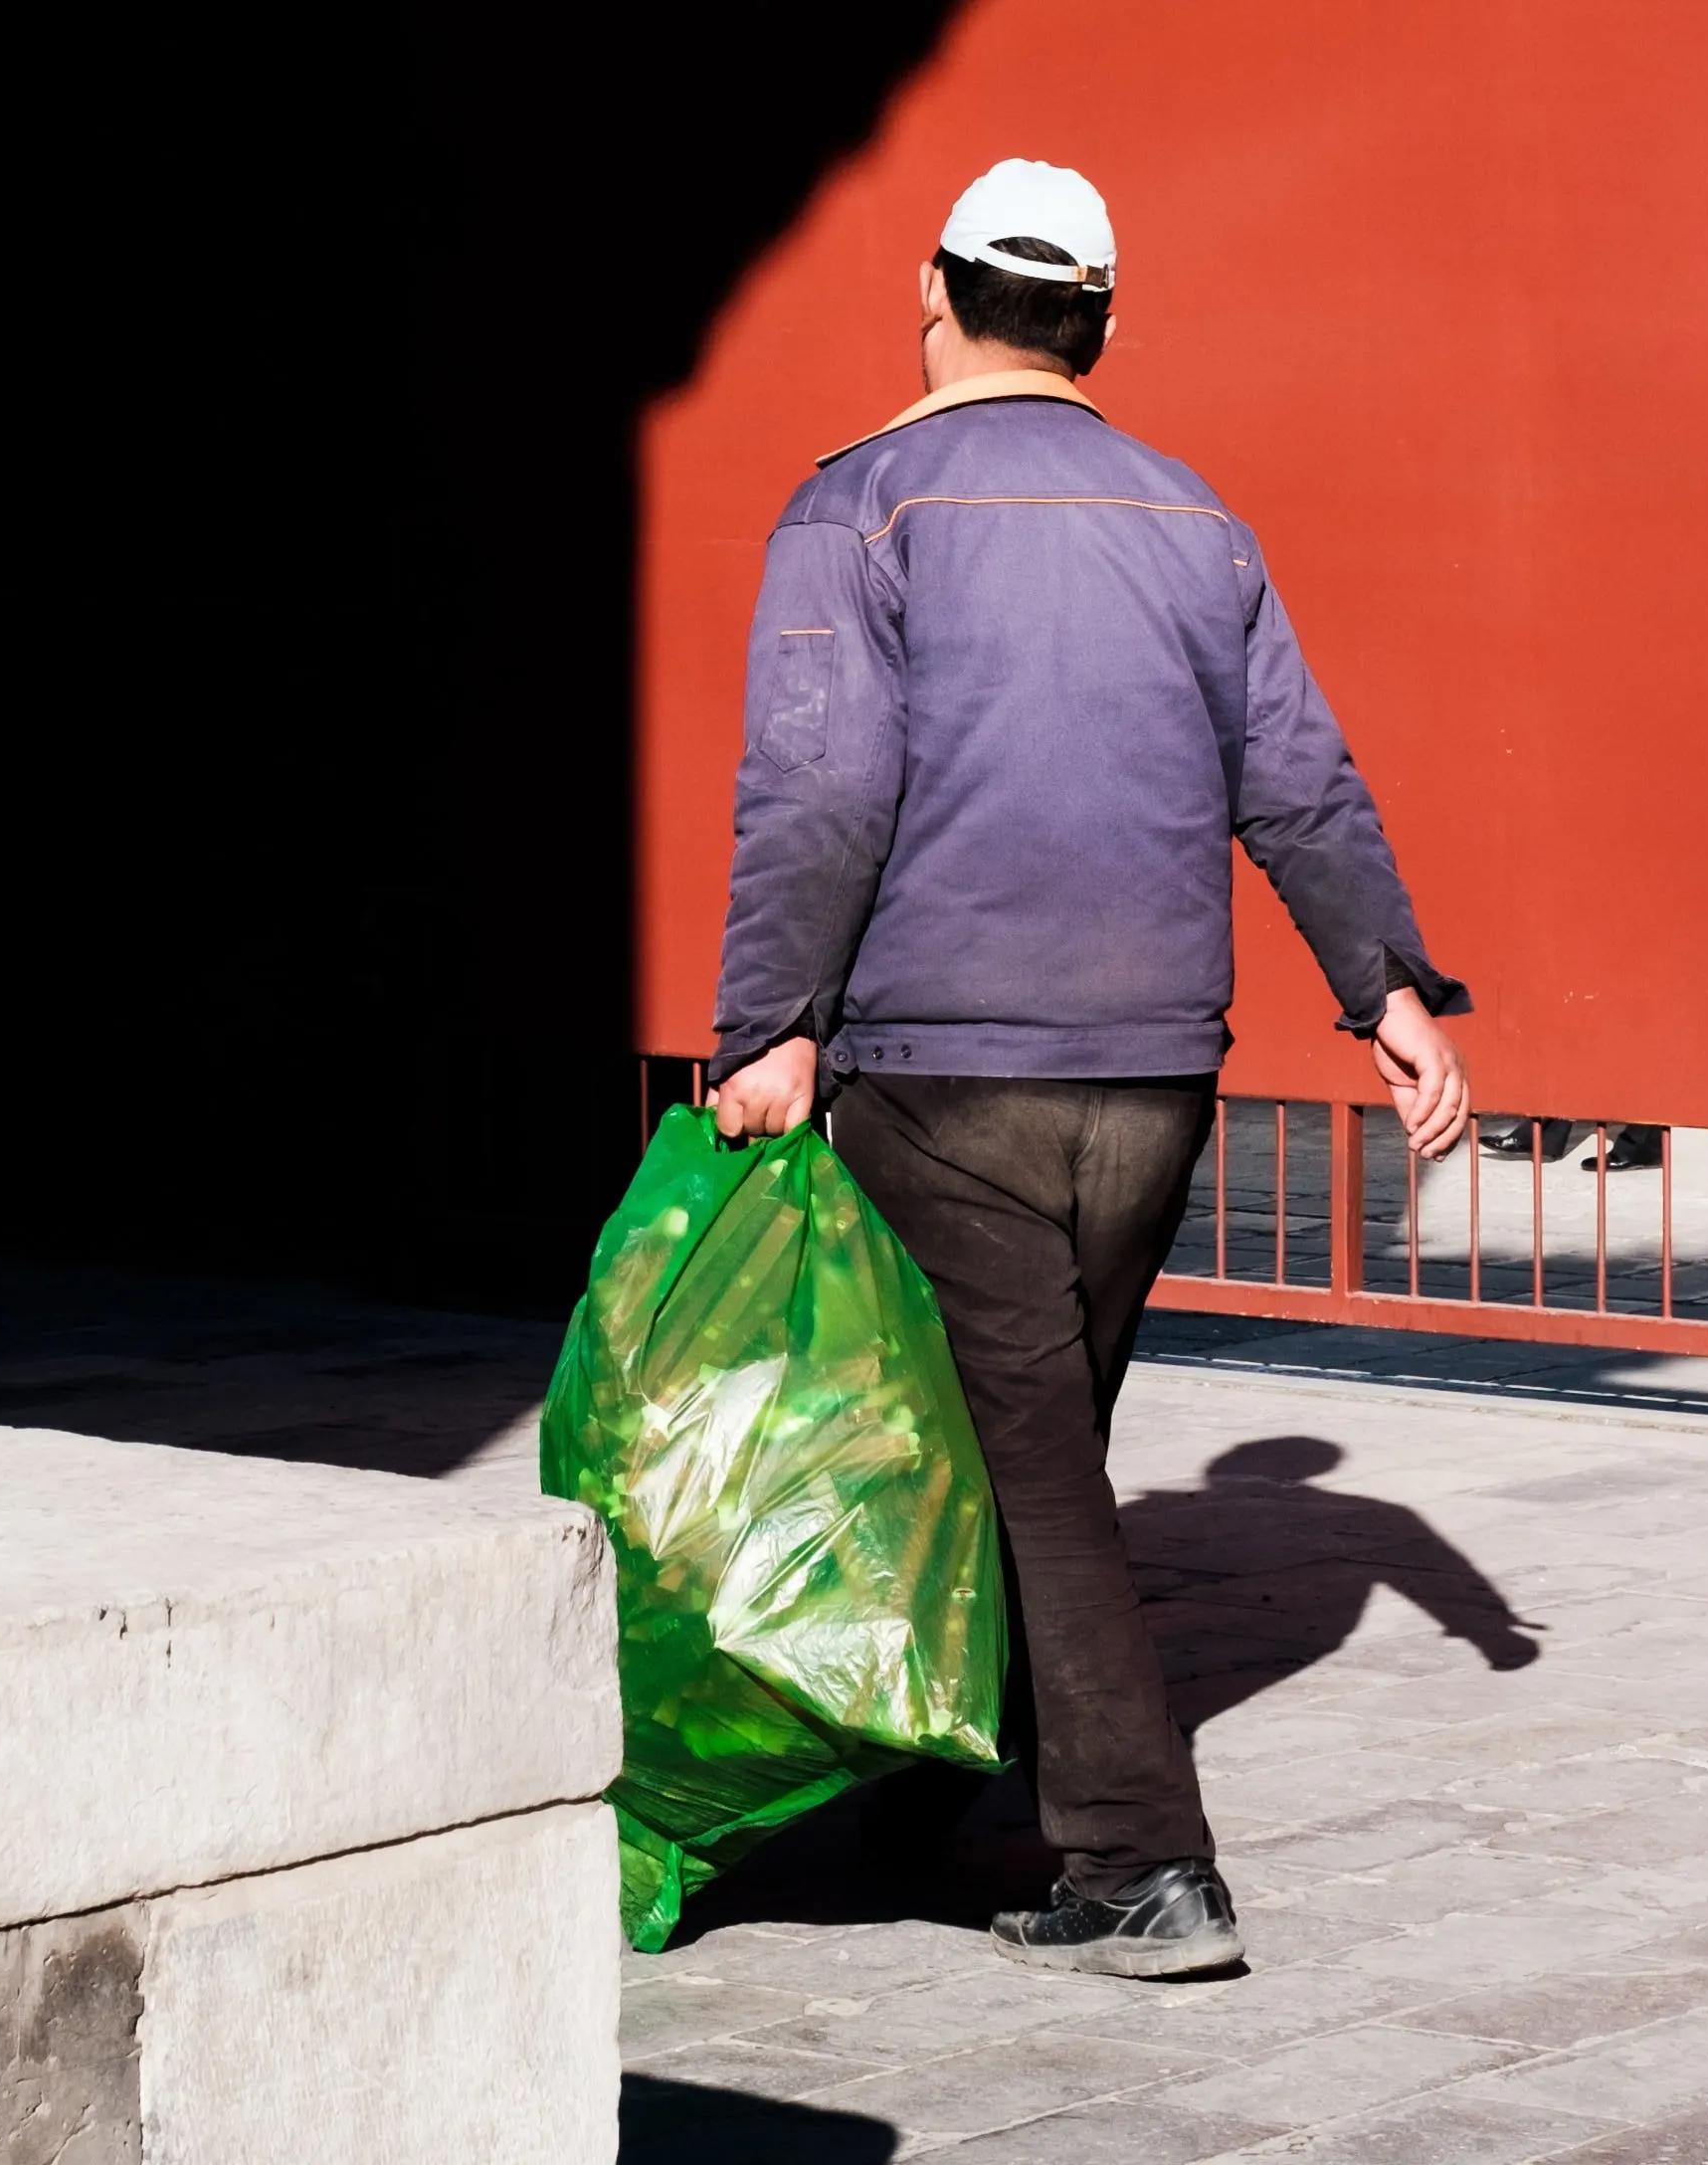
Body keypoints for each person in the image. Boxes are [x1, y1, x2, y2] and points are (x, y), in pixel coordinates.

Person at [704, 158, 1474, 1977]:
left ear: (932, 290)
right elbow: (1293, 768)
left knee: (1021, 1462)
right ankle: (934, 1784)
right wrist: (1388, 993)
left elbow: (816, 788)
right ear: (1104, 323)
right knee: (1019, 1439)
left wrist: (767, 1024)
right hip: (1151, 1078)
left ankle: (1141, 1862)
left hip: (946, 1071)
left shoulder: (860, 504)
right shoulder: (1192, 518)